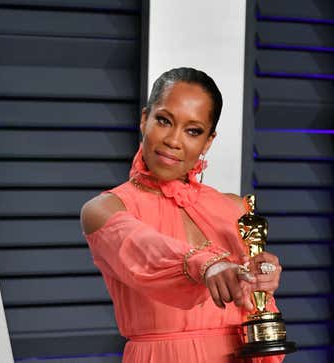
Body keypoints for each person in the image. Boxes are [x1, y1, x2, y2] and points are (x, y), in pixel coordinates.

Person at [80, 67, 285, 363]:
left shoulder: (236, 209)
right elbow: (146, 249)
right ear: (144, 119)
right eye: (164, 121)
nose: (174, 141)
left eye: (193, 131)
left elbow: (255, 308)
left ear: (208, 141)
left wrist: (261, 279)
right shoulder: (105, 209)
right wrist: (206, 264)